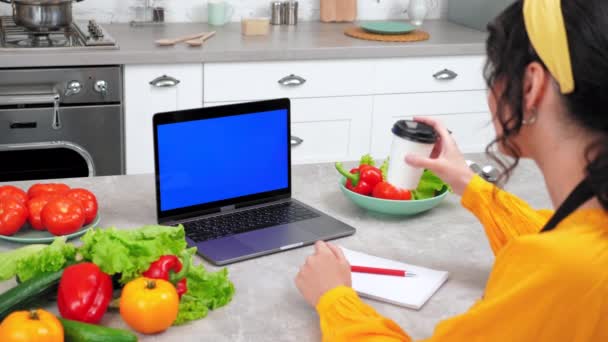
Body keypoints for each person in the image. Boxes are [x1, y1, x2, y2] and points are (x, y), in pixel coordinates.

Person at [294, 0, 608, 340]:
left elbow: (558, 264)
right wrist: (466, 181)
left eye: (494, 71)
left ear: (531, 87)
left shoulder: (566, 272)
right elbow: (553, 237)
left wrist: (334, 298)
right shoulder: (584, 241)